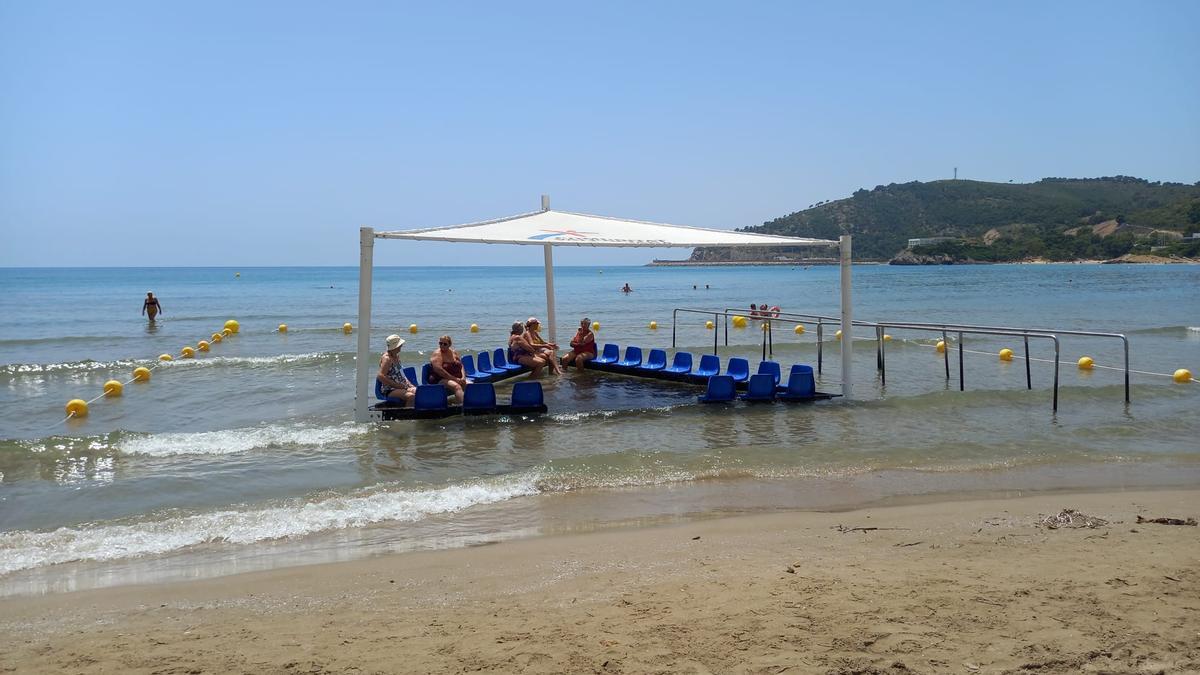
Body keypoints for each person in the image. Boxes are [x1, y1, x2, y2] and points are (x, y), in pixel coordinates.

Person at [377, 334, 416, 405]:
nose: (401, 346)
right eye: (400, 345)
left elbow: (401, 373)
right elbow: (380, 376)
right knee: (411, 396)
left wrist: (409, 385)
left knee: (419, 392)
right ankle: (407, 415)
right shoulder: (387, 359)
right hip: (390, 389)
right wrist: (396, 386)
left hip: (402, 385)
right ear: (395, 347)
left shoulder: (396, 356)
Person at [429, 335, 467, 404]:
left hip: (455, 377)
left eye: (445, 344)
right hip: (440, 378)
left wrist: (463, 377)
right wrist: (455, 379)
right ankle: (463, 407)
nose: (442, 345)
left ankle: (473, 403)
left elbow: (461, 365)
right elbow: (439, 370)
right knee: (457, 386)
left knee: (470, 384)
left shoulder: (453, 352)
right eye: (440, 343)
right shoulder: (437, 354)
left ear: (449, 344)